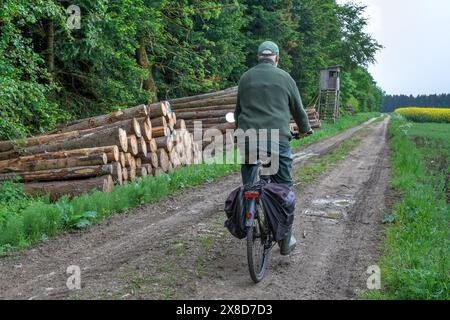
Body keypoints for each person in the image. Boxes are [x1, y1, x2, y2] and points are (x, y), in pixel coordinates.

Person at [234, 41, 313, 255]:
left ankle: (247, 216)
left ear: (258, 57)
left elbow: (238, 111)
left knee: (249, 184)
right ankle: (286, 240)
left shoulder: (245, 78)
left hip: (248, 139)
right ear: (276, 58)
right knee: (285, 187)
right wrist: (305, 129)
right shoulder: (285, 78)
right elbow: (298, 109)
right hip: (277, 141)